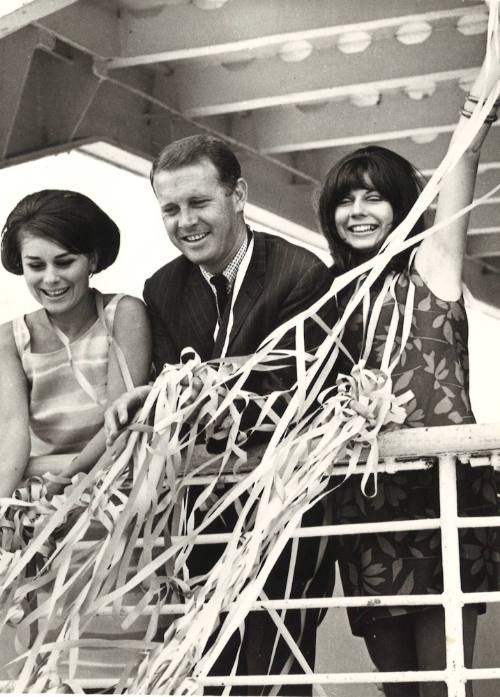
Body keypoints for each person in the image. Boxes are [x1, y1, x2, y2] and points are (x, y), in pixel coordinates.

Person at [105, 134, 337, 695]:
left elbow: (300, 392)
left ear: (238, 195)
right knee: (205, 668)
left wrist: (197, 396)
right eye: (171, 208)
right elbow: (170, 388)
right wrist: (151, 400)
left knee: (272, 668)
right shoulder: (161, 286)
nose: (185, 221)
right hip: (197, 517)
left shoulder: (301, 273)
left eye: (198, 202)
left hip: (283, 508)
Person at [317, 30, 500, 697]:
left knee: (448, 685)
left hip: (440, 492)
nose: (357, 211)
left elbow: (466, 153)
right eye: (345, 199)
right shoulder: (325, 297)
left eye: (373, 196)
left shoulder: (433, 271)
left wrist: (491, 60)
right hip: (365, 505)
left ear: (403, 204)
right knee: (399, 690)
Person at [0, 189, 152, 498]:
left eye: (64, 262)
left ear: (92, 260)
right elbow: (12, 437)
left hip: (114, 481)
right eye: (36, 266)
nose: (51, 278)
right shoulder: (9, 338)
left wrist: (63, 482)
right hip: (39, 489)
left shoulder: (124, 314)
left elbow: (119, 423)